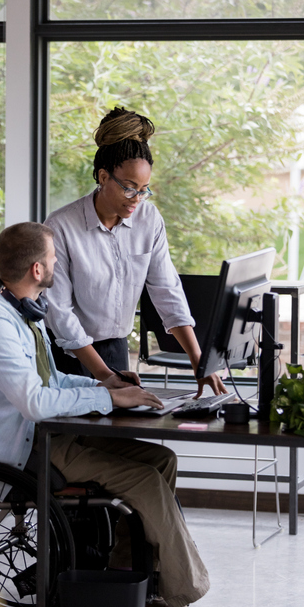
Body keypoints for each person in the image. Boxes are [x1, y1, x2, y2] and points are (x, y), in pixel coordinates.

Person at [0, 222, 210, 607]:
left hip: (49, 434)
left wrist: (106, 381)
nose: (57, 264)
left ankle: (126, 575)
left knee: (162, 459)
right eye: (53, 258)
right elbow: (36, 402)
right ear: (38, 270)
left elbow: (50, 380)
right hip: (19, 447)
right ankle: (180, 591)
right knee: (146, 481)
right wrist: (106, 397)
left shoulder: (21, 309)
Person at [44, 106, 226, 397]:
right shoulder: (61, 226)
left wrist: (199, 362)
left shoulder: (148, 220)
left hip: (116, 349)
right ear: (103, 177)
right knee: (75, 440)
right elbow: (60, 313)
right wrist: (104, 375)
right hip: (71, 354)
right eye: (129, 188)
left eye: (144, 190)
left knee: (118, 438)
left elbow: (167, 292)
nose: (137, 199)